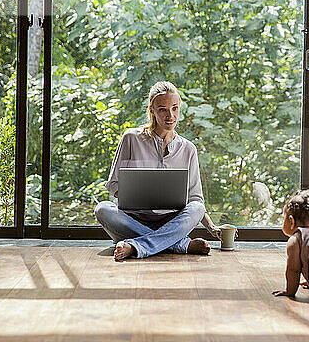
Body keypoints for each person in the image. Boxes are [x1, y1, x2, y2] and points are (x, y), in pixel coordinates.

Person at [94, 81, 220, 261]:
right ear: (151, 110)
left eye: (175, 108)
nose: (170, 116)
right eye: (163, 109)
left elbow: (196, 199)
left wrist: (212, 228)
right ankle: (180, 244)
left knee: (197, 208)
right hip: (132, 221)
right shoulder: (131, 138)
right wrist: (134, 194)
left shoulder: (188, 149)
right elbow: (113, 184)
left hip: (172, 222)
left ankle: (137, 246)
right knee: (102, 208)